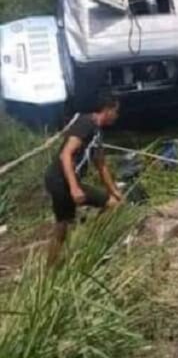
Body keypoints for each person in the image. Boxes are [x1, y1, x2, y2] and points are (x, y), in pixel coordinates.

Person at [44, 94, 123, 265]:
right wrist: (74, 188)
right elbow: (65, 154)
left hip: (64, 180)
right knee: (63, 225)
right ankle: (82, 249)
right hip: (60, 180)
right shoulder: (86, 123)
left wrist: (114, 190)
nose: (117, 115)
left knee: (64, 224)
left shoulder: (97, 132)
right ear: (107, 110)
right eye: (116, 111)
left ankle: (54, 265)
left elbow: (101, 166)